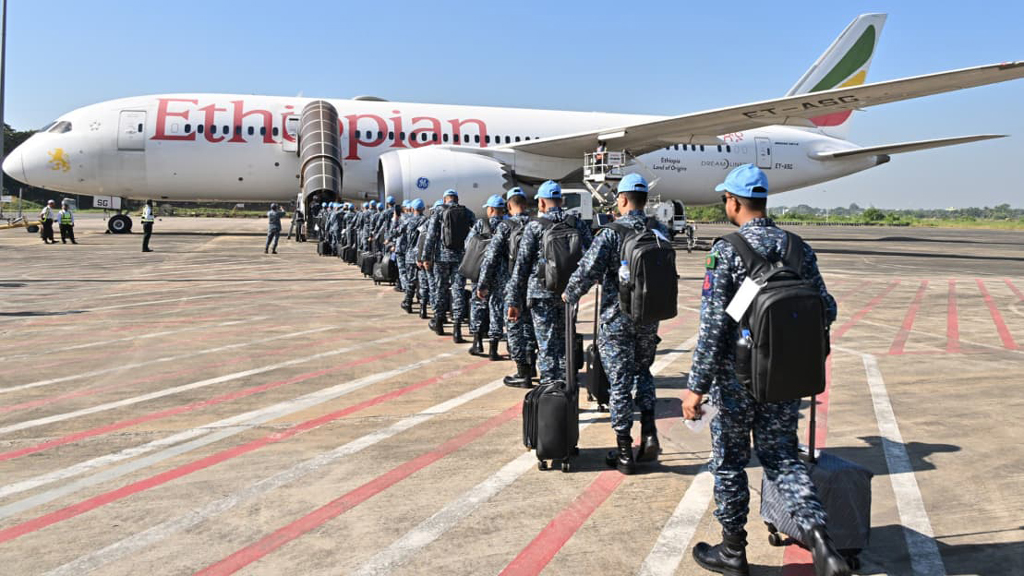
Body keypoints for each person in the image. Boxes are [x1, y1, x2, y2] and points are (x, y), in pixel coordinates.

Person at [683, 164, 848, 576]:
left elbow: (713, 327)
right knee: (784, 460)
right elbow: (826, 308)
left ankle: (733, 551)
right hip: (785, 377)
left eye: (726, 199)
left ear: (734, 202)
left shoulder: (727, 250)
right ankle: (823, 544)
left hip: (736, 379)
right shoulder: (798, 248)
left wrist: (695, 387)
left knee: (729, 463)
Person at [563, 173, 667, 474]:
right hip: (649, 317)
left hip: (616, 318)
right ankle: (649, 433)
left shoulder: (610, 233)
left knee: (620, 383)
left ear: (622, 199)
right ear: (645, 200)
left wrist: (569, 295)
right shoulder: (659, 230)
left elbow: (586, 271)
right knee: (643, 372)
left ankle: (624, 452)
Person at [506, 180, 592, 385]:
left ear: (542, 203)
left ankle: (549, 390)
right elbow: (591, 256)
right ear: (561, 201)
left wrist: (513, 301)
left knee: (546, 344)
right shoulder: (576, 223)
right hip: (568, 293)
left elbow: (521, 268)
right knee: (564, 342)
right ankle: (566, 386)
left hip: (540, 293)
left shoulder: (535, 226)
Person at [480, 188, 536, 386]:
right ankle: (532, 362)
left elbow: (491, 257)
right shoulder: (536, 224)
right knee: (530, 325)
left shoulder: (505, 227)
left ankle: (522, 371)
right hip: (534, 283)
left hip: (510, 283)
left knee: (513, 325)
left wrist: (483, 283)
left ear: (509, 206)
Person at [421, 189, 475, 341]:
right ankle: (457, 329)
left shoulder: (438, 211)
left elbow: (431, 235)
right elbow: (476, 233)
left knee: (440, 288)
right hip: (460, 258)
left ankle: (439, 323)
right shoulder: (467, 212)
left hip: (441, 258)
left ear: (445, 199)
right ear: (457, 199)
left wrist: (426, 256)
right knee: (458, 290)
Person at [466, 194, 506, 359]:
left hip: (480, 273)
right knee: (496, 308)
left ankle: (477, 343)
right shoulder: (507, 226)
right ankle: (493, 349)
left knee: (478, 305)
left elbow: (468, 244)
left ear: (490, 210)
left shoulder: (480, 225)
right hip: (501, 274)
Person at [400, 199, 428, 314]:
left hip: (410, 256)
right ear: (423, 209)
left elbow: (398, 231)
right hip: (421, 255)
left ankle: (408, 303)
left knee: (411, 281)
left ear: (412, 209)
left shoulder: (408, 220)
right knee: (423, 282)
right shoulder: (426, 221)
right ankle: (423, 308)